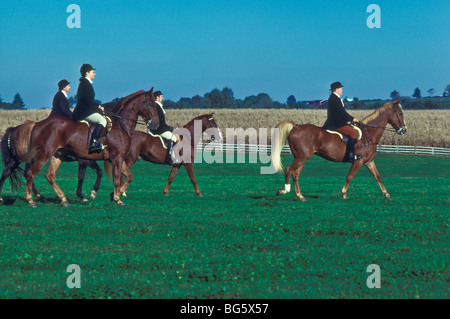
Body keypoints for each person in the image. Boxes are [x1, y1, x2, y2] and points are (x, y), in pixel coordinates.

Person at [322, 82, 361, 162]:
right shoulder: (335, 99)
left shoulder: (335, 98)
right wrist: (352, 119)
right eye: (340, 88)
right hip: (336, 124)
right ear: (336, 89)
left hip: (337, 122)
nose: (342, 90)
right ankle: (350, 156)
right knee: (354, 133)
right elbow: (341, 113)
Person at [72, 64, 107, 154]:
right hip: (83, 112)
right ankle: (93, 143)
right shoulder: (85, 84)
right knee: (102, 121)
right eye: (93, 72)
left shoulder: (85, 83)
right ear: (87, 73)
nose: (94, 74)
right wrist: (98, 106)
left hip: (86, 110)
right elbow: (87, 100)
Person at [148, 91, 179, 164]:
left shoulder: (158, 106)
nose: (163, 98)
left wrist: (170, 128)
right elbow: (161, 123)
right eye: (161, 96)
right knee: (174, 138)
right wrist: (170, 128)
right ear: (157, 97)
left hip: (161, 128)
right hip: (160, 130)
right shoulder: (157, 107)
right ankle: (170, 158)